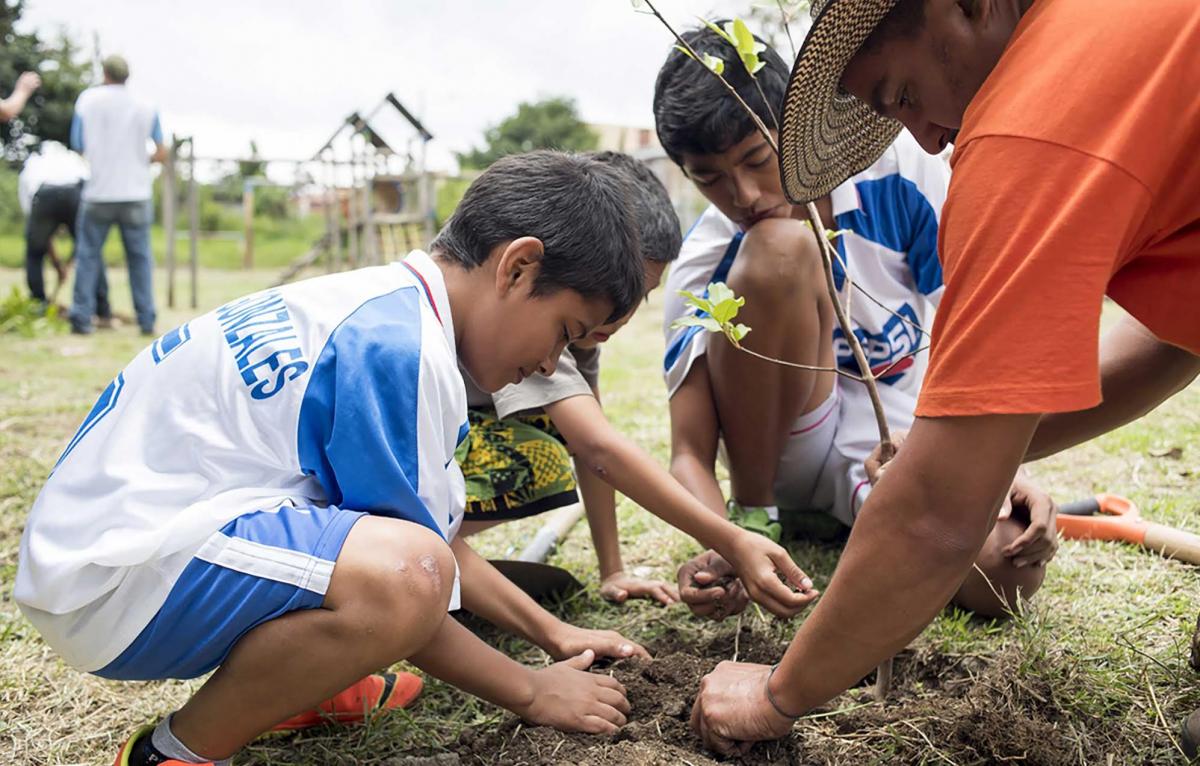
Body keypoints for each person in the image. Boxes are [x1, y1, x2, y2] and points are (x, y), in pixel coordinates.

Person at [17, 151, 660, 766]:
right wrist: (529, 688)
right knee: (406, 576)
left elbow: (417, 540)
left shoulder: (390, 307)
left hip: (120, 548)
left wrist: (554, 634)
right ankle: (173, 753)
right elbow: (415, 576)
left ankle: (305, 684)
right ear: (518, 268)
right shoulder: (398, 351)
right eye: (564, 333)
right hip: (114, 579)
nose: (550, 366)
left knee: (396, 554)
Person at [688, 0, 1200, 755]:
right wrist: (977, 450)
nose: (925, 135)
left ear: (973, 6)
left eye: (901, 94)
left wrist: (775, 695)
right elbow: (1174, 340)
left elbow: (932, 519)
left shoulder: (1026, 128)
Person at [653, 24, 1056, 626]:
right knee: (780, 249)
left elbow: (975, 335)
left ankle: (862, 509)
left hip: (891, 439)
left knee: (1006, 572)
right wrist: (720, 541)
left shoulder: (903, 180)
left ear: (794, 129)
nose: (743, 194)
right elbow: (688, 451)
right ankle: (760, 513)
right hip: (782, 451)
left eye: (757, 159)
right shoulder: (704, 265)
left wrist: (1007, 469)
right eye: (708, 178)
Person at [459, 151, 813, 611]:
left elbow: (594, 445)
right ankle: (449, 559)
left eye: (639, 296)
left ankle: (455, 561)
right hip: (421, 472)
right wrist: (732, 540)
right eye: (615, 294)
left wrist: (613, 570)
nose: (619, 316)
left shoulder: (579, 334)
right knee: (542, 451)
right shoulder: (536, 329)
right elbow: (599, 450)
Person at [68, 55, 167, 336]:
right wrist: (140, 161)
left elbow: (77, 143)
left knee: (88, 256)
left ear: (105, 73)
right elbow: (161, 152)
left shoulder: (88, 101)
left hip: (98, 191)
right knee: (139, 259)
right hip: (136, 192)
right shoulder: (146, 105)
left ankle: (81, 319)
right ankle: (146, 320)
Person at [18, 140, 110, 318]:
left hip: (44, 193)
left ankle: (39, 305)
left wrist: (64, 264)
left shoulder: (32, 163)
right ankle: (102, 308)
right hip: (76, 191)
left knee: (34, 254)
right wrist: (59, 265)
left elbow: (39, 238)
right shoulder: (73, 158)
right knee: (91, 251)